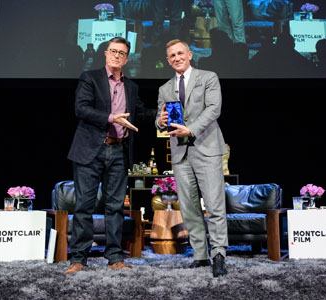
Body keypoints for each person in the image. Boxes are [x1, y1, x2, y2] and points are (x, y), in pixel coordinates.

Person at [65, 36, 153, 274]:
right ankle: (78, 258)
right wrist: (112, 118)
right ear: (105, 53)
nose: (117, 56)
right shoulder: (90, 78)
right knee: (84, 205)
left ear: (127, 58)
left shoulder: (131, 87)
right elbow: (81, 109)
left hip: (118, 150)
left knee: (114, 207)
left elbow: (140, 113)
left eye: (122, 53)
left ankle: (114, 256)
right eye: (113, 51)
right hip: (91, 150)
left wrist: (160, 118)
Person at [155, 39, 229, 277]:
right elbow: (160, 115)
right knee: (189, 208)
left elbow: (213, 109)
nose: (176, 58)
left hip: (206, 148)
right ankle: (200, 255)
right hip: (180, 152)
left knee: (215, 205)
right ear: (168, 60)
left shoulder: (208, 77)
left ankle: (219, 254)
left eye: (180, 53)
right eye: (171, 56)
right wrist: (160, 121)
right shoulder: (165, 88)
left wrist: (191, 129)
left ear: (189, 54)